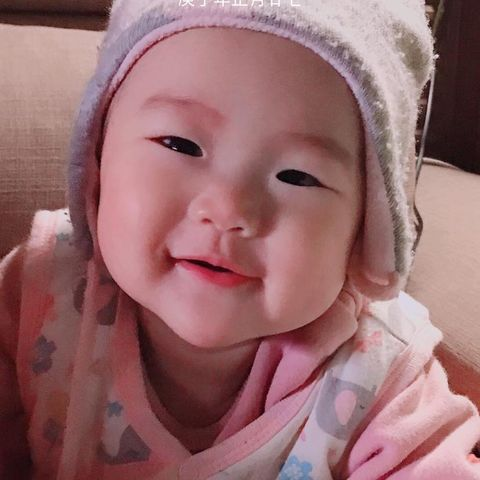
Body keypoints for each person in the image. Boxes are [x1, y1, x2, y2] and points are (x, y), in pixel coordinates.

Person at [1, 0, 480, 478]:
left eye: (297, 176)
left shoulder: (380, 379)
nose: (230, 211)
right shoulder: (39, 292)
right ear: (96, 163)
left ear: (363, 233)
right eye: (181, 145)